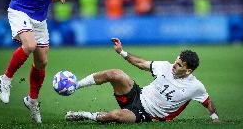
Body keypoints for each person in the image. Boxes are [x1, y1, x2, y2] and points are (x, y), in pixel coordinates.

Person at [0, 0, 78, 123]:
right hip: (21, 10)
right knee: (30, 45)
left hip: (40, 19)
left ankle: (32, 101)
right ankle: (6, 78)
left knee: (42, 62)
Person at [65, 38, 220, 123]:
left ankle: (83, 115)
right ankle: (76, 85)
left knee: (115, 116)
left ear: (188, 71)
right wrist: (122, 52)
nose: (174, 65)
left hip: (144, 114)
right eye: (176, 61)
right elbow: (140, 63)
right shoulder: (165, 66)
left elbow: (207, 102)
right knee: (115, 73)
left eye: (179, 65)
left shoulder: (196, 86)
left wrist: (215, 118)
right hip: (137, 94)